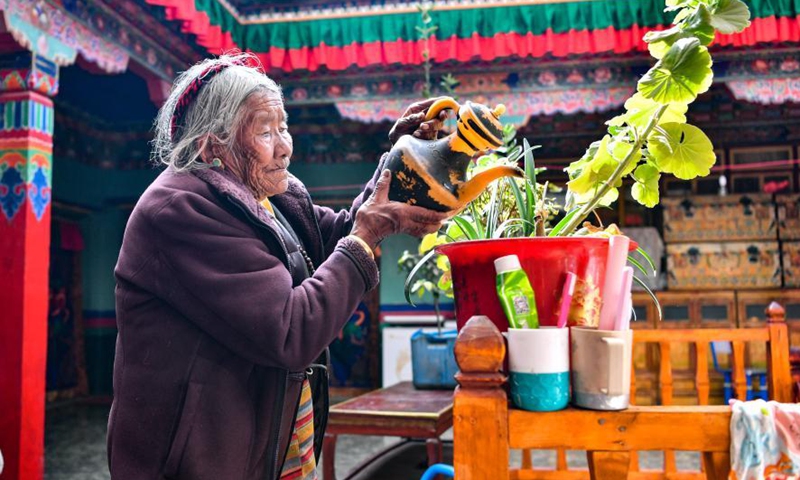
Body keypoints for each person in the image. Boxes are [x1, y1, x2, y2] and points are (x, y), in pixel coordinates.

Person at [107, 52, 452, 480]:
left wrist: (397, 159)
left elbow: (338, 237)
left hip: (265, 440)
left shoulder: (269, 199)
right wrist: (369, 234)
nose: (285, 146)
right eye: (265, 131)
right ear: (213, 146)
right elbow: (291, 330)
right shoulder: (180, 208)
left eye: (283, 127)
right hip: (201, 461)